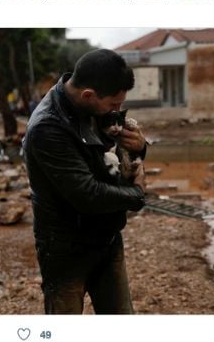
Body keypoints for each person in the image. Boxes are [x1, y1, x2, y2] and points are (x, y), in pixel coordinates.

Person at [23, 49, 147, 314]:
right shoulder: (47, 128)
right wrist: (137, 195)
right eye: (113, 105)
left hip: (107, 239)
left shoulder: (93, 106)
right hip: (65, 250)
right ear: (88, 95)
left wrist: (139, 147)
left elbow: (113, 159)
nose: (117, 112)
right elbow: (87, 194)